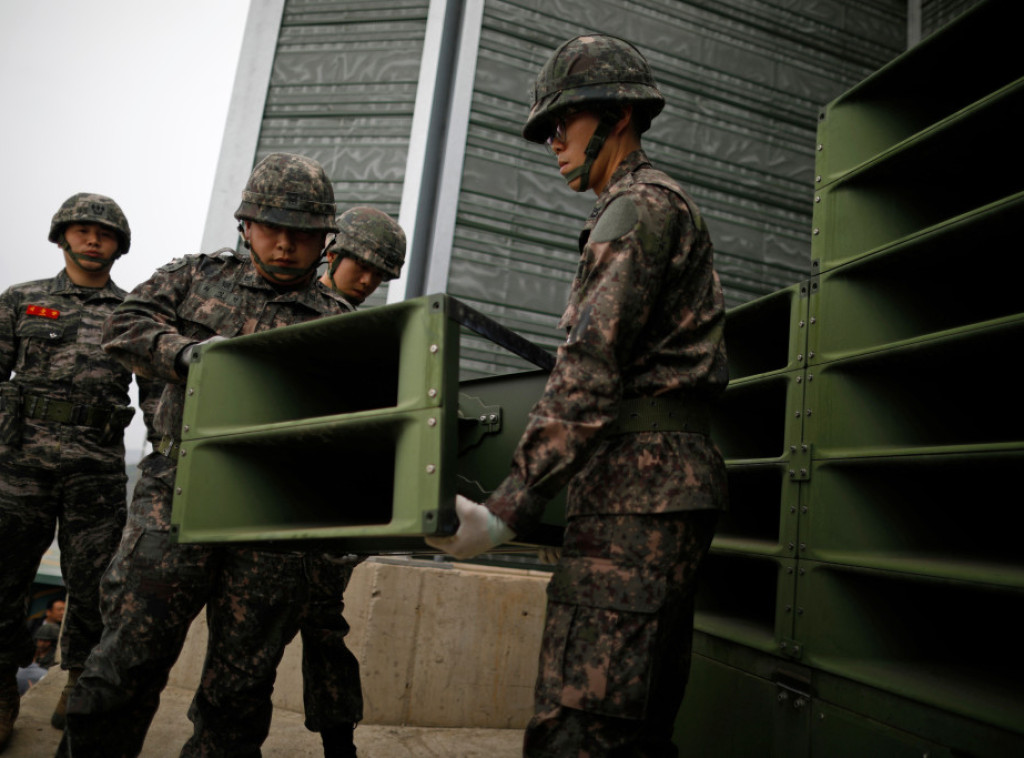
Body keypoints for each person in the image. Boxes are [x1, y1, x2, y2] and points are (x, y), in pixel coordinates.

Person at [426, 34, 729, 757]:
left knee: (582, 727)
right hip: (652, 490)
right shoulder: (648, 207)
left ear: (619, 117)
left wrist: (504, 511)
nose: (553, 141)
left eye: (565, 122)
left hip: (639, 494)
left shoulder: (636, 210)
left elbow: (588, 373)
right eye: (547, 130)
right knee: (634, 724)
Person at [58, 153, 358, 758]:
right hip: (177, 492)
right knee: (125, 662)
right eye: (272, 228)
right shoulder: (195, 277)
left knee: (241, 688)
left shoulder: (341, 323)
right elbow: (126, 325)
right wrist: (186, 354)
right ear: (245, 225)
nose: (285, 245)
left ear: (323, 241)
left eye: (302, 234)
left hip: (273, 515)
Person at [0, 193, 157, 751]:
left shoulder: (136, 312)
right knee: (5, 578)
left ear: (119, 245)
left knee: (95, 586)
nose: (93, 240)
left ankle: (79, 684)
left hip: (96, 470)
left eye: (105, 233)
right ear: (62, 236)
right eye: (83, 230)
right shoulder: (21, 300)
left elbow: (158, 394)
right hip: (19, 469)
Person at [319, 206, 406, 306]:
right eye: (362, 267)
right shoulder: (298, 306)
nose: (367, 281)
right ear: (332, 255)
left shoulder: (360, 320)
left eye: (378, 274)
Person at [16, 623, 60, 695]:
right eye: (39, 640)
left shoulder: (55, 660)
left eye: (45, 641)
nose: (41, 643)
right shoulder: (33, 655)